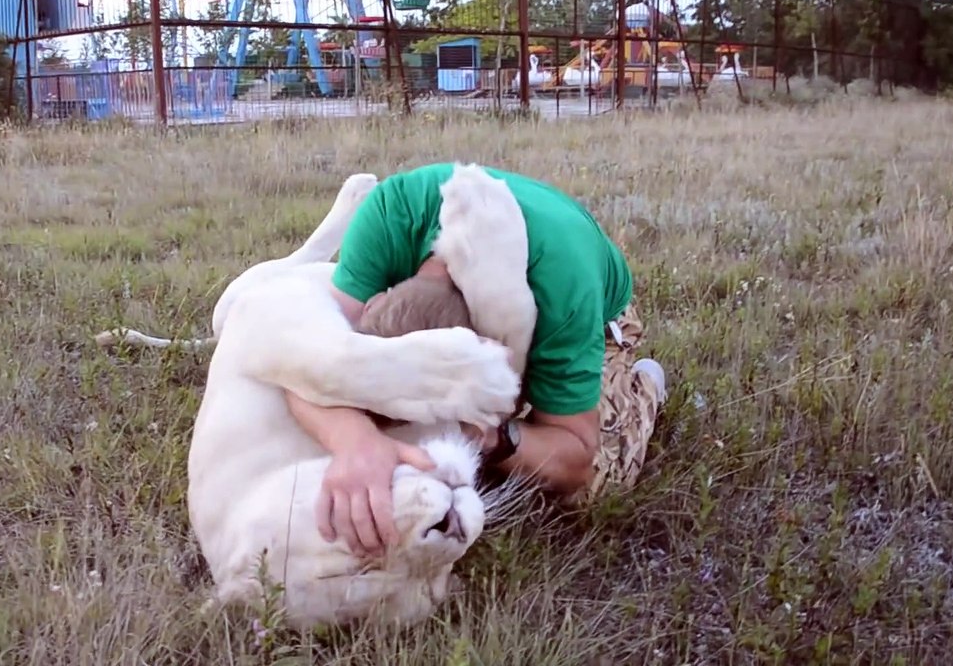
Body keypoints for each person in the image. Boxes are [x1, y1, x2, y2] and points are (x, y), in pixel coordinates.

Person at [285, 162, 668, 558]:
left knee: (594, 484)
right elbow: (305, 361)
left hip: (599, 314)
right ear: (374, 304)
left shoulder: (565, 293)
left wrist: (494, 438)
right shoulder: (389, 213)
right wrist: (355, 441)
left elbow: (575, 460)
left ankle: (644, 387)